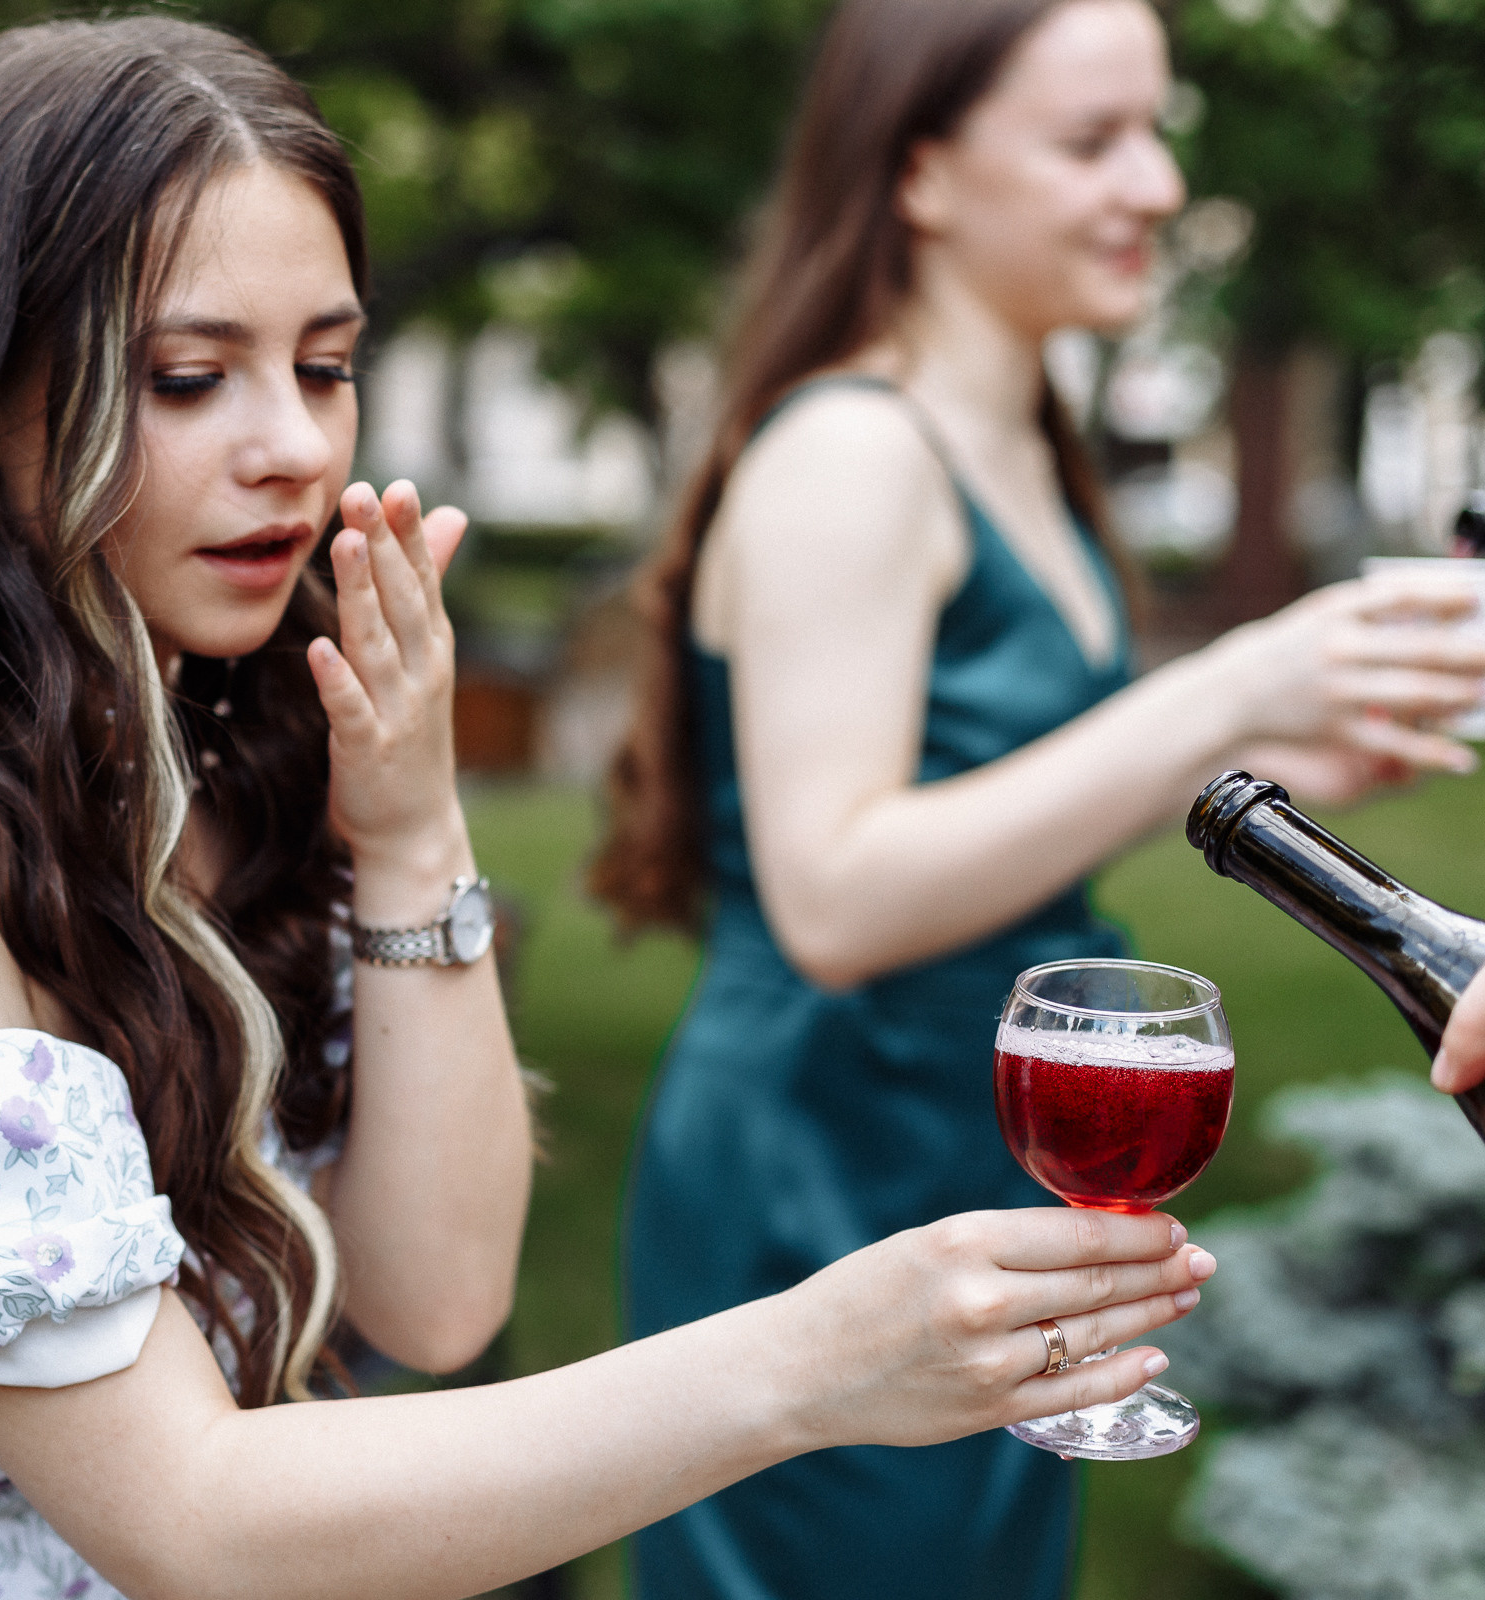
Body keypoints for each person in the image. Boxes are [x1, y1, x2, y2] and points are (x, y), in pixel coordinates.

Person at [0, 19, 1217, 1599]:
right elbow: (189, 1515)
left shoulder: (203, 738)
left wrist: (413, 831)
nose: (291, 443)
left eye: (326, 363)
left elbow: (433, 1299)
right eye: (191, 378)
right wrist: (810, 1366)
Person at [589, 1, 1485, 1596]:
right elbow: (837, 893)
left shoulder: (1027, 447)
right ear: (921, 172)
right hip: (826, 1171)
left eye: (1159, 130)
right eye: (1092, 141)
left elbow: (991, 802)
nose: (1152, 185)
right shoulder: (852, 449)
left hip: (1006, 1137)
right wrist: (1219, 687)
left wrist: (1290, 764)